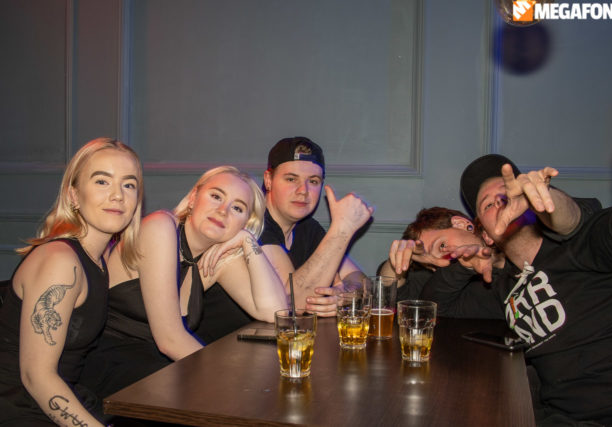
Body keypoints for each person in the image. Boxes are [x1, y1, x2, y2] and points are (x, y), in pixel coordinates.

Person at [429, 91, 612, 425]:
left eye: (509, 194)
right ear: (487, 234)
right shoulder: (502, 288)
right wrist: (464, 267)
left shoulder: (584, 242)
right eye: (488, 204)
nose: (502, 203)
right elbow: (435, 307)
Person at [79, 166, 287, 405]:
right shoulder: (160, 226)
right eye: (216, 196)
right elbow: (170, 339)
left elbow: (274, 311)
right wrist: (232, 380)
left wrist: (249, 241)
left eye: (237, 208)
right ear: (193, 198)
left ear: (245, 222)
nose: (223, 211)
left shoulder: (216, 259)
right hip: (108, 371)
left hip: (157, 372)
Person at [0, 138, 143, 426]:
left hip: (58, 399)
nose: (118, 195)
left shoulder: (98, 259)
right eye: (102, 181)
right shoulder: (61, 261)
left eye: (129, 185)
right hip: (21, 410)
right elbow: (35, 376)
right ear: (74, 196)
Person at [259, 137, 374, 315]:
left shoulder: (308, 227)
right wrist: (342, 229)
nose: (303, 190)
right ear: (268, 180)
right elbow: (291, 303)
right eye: (291, 179)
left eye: (313, 181)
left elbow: (362, 281)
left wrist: (344, 294)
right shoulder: (254, 224)